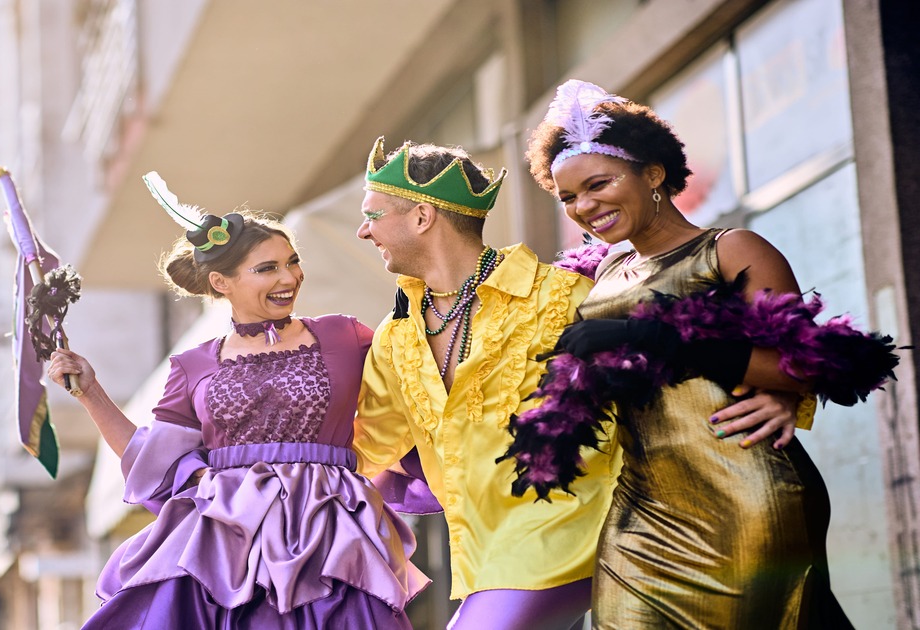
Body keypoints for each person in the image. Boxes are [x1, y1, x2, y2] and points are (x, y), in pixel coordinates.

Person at [349, 136, 807, 630]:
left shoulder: (568, 295)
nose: (362, 231)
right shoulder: (396, 336)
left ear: (421, 217)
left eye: (373, 215)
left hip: (592, 531)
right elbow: (366, 448)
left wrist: (782, 391)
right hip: (484, 559)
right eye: (569, 197)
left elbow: (680, 353)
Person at [522, 79, 872, 628]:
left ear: (653, 174)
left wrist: (649, 337)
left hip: (744, 494)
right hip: (642, 510)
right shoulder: (603, 273)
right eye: (569, 197)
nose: (585, 206)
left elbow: (804, 364)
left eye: (599, 184)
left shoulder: (730, 249)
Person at [49, 178, 428, 629]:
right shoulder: (193, 365)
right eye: (267, 269)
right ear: (220, 282)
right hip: (227, 543)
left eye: (293, 262)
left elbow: (415, 391)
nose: (289, 278)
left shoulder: (345, 336)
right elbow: (153, 464)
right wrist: (90, 393)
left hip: (331, 535)